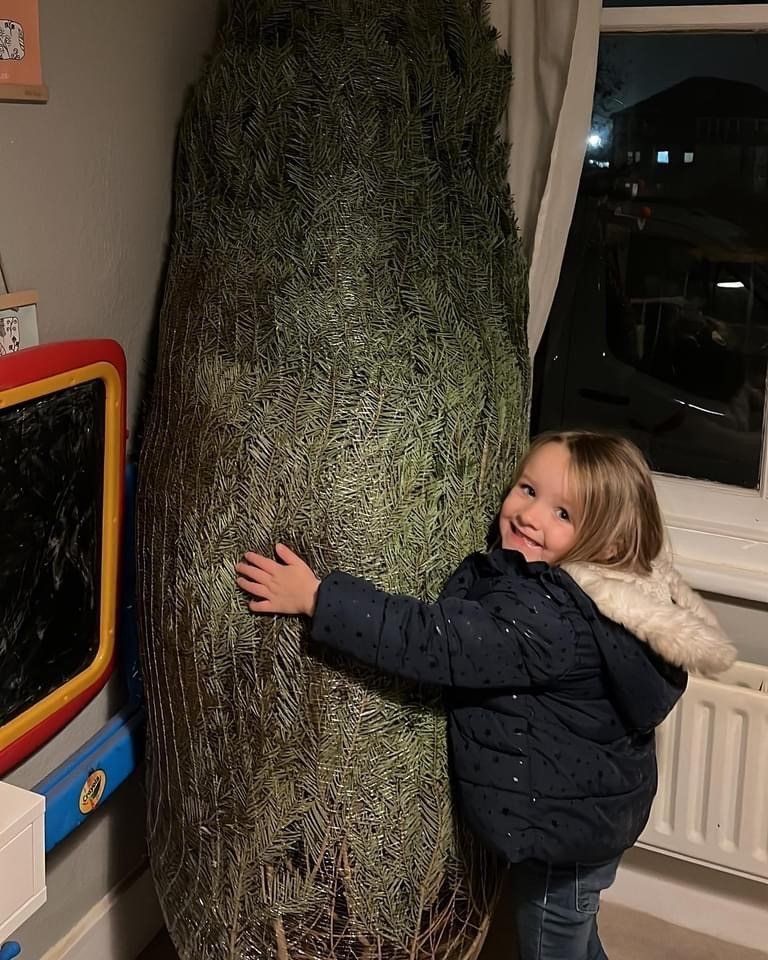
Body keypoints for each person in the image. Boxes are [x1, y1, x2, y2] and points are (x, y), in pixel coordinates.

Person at [235, 430, 736, 960]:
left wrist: (319, 598)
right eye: (528, 489)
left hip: (561, 841)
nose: (530, 516)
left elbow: (429, 639)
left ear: (608, 543)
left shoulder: (547, 621)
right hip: (588, 823)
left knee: (550, 945)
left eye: (563, 514)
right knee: (575, 935)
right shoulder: (606, 596)